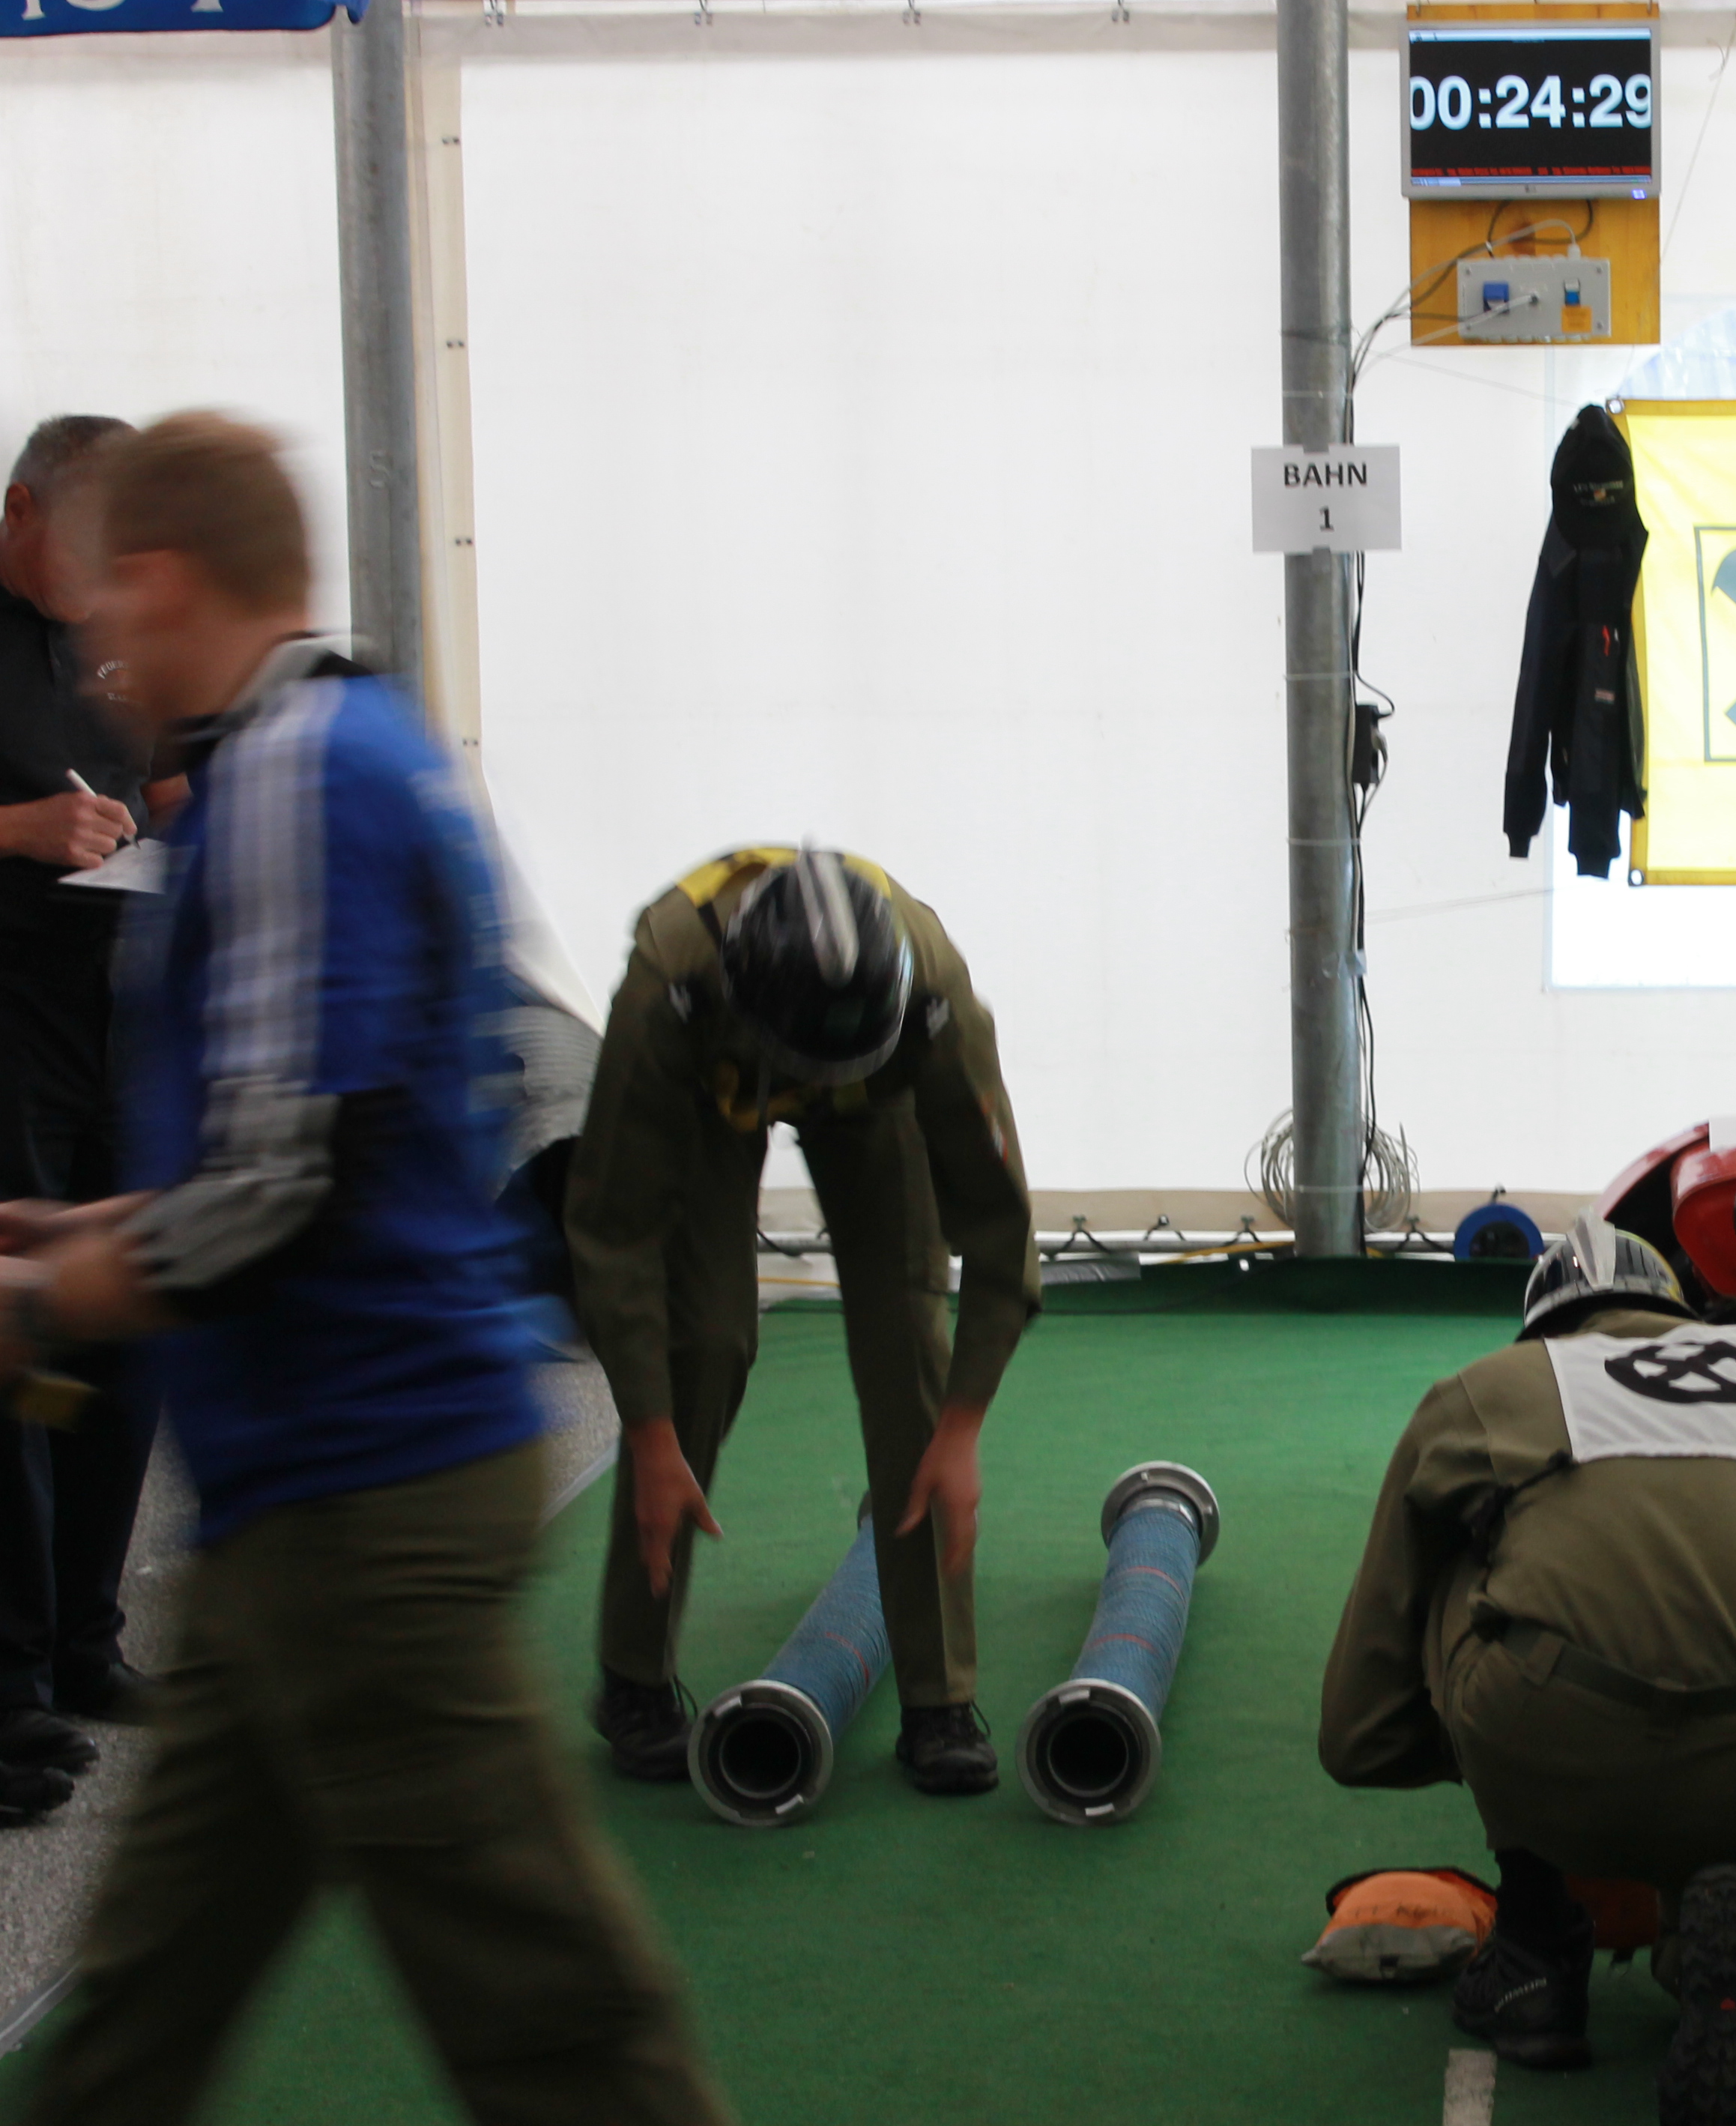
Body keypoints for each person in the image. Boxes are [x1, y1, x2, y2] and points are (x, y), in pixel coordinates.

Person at [0, 410, 730, 2125]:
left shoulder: (297, 783)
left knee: (558, 2024)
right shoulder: (340, 744)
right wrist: (74, 1232)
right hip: (302, 1492)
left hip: (369, 1498)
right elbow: (319, 1138)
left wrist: (41, 1299)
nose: (98, 652)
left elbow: (275, 1195)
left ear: (170, 576)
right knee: (143, 2005)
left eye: (114, 597)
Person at [1319, 1213, 1736, 2126]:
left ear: (1543, 1330)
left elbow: (1356, 1732)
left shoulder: (1485, 1391)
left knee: (1475, 1567)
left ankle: (1535, 1950)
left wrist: (1473, 1759)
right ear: (1680, 1314)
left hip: (1560, 1742)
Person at [568, 842, 1035, 1794]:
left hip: (877, 1089)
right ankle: (633, 1676)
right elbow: (615, 1230)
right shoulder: (670, 986)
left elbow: (999, 1225)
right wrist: (652, 1437)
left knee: (909, 1352)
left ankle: (940, 1699)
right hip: (718, 1080)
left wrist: (961, 1427)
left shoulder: (932, 998)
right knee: (703, 1344)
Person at [0, 414, 155, 1796]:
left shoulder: (104, 644)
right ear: (20, 509)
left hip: (110, 1024)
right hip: (7, 1043)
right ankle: (15, 1689)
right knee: (18, 1344)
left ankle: (88, 1640)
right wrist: (19, 830)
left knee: (129, 1329)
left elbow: (149, 782)